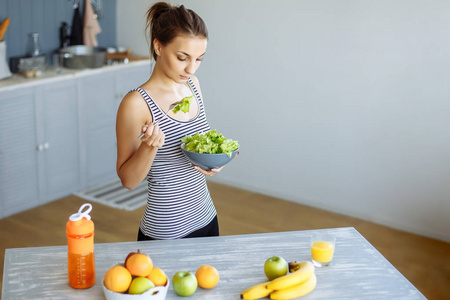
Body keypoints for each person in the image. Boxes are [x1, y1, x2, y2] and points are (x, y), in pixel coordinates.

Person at [116, 2, 230, 241]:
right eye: (182, 57)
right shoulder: (136, 104)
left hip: (207, 218)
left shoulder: (193, 86)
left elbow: (199, 146)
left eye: (199, 59)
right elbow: (128, 180)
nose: (191, 68)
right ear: (158, 46)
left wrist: (212, 161)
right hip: (166, 231)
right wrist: (149, 146)